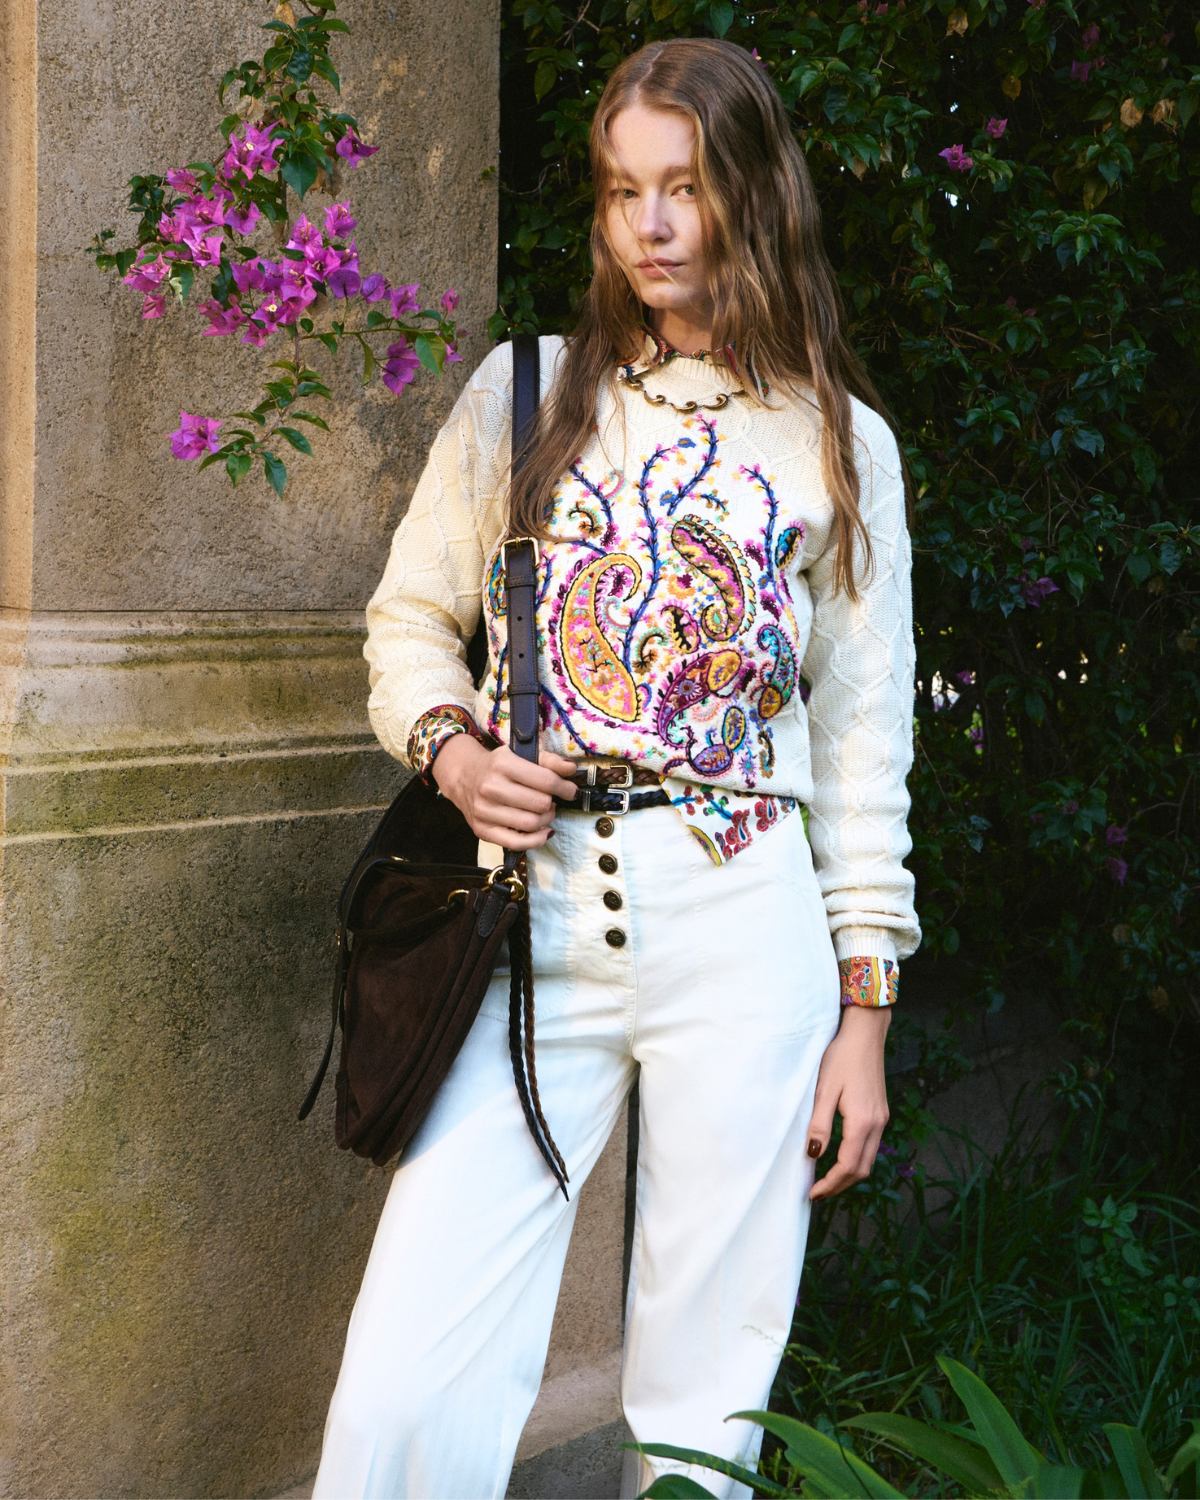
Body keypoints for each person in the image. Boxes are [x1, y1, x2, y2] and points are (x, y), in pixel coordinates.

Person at [313, 35, 919, 1500]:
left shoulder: (841, 446)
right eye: (620, 189)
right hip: (527, 927)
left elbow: (862, 747)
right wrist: (457, 756)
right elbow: (408, 622)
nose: (649, 224)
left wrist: (865, 1013)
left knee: (706, 1401)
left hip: (747, 929)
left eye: (685, 187)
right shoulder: (526, 393)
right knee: (407, 1379)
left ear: (753, 194)